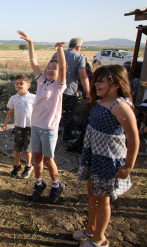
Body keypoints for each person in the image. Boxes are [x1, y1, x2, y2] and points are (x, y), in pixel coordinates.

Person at [74, 65, 139, 247]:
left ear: (116, 85)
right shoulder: (99, 101)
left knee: (103, 200)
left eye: (102, 81)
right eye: (97, 81)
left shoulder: (121, 107)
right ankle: (90, 228)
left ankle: (99, 239)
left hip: (107, 160)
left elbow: (134, 139)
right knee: (92, 194)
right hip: (93, 156)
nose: (97, 85)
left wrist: (128, 166)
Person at [18, 31, 67, 203]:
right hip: (36, 126)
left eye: (54, 68)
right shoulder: (41, 81)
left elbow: (64, 66)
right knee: (37, 157)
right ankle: (39, 183)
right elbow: (33, 61)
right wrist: (31, 42)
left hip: (49, 128)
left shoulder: (59, 86)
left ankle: (56, 185)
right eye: (49, 67)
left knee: (48, 159)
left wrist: (59, 50)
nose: (51, 69)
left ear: (59, 72)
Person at [51, 37, 90, 141]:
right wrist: (89, 93)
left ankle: (53, 131)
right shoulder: (80, 57)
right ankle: (67, 135)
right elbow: (83, 76)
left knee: (54, 112)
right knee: (69, 115)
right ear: (78, 47)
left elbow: (49, 70)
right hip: (69, 91)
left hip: (55, 90)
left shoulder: (56, 54)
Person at [2, 74, 35, 178]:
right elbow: (11, 112)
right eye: (17, 83)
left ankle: (28, 166)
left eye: (21, 83)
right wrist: (5, 123)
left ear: (28, 86)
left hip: (30, 127)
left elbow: (39, 112)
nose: (18, 85)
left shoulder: (33, 98)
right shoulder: (13, 98)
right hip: (18, 127)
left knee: (27, 148)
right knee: (17, 148)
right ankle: (17, 165)